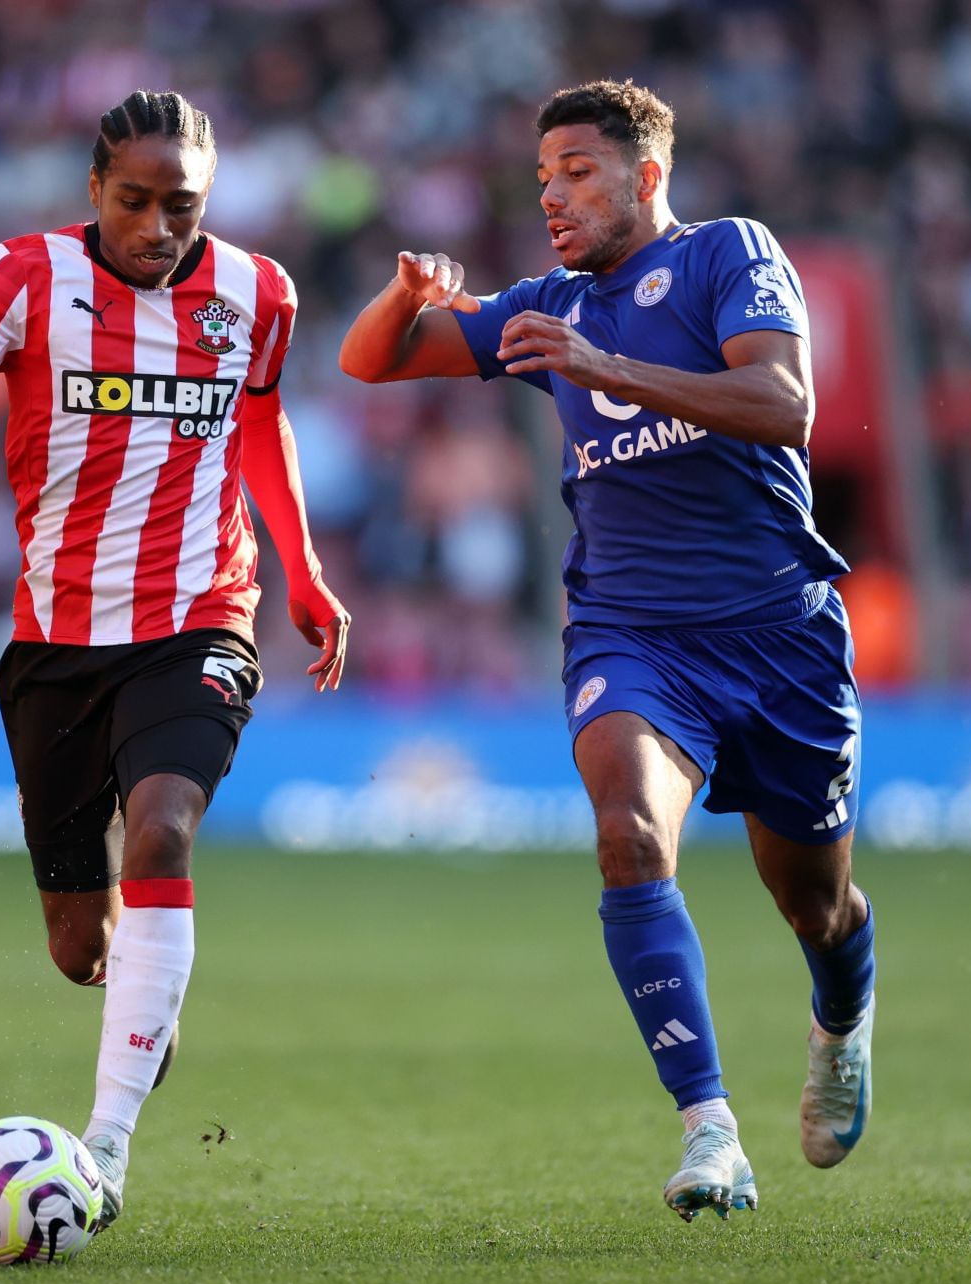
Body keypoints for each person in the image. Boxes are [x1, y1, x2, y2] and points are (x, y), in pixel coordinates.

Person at [340, 80, 875, 1221]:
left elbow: (784, 405)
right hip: (632, 633)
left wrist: (606, 369)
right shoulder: (543, 303)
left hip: (780, 634)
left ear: (646, 173)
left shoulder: (730, 254)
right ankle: (710, 1129)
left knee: (815, 904)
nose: (555, 196)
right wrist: (403, 300)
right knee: (629, 834)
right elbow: (371, 363)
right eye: (542, 180)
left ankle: (840, 1017)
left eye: (578, 172)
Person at [0, 90, 348, 1234]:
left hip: (200, 616)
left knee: (164, 830)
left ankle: (105, 1148)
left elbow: (257, 426)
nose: (156, 226)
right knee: (79, 945)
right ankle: (140, 987)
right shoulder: (24, 277)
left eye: (180, 205)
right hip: (56, 644)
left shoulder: (258, 294)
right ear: (94, 191)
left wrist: (304, 569)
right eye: (134, 201)